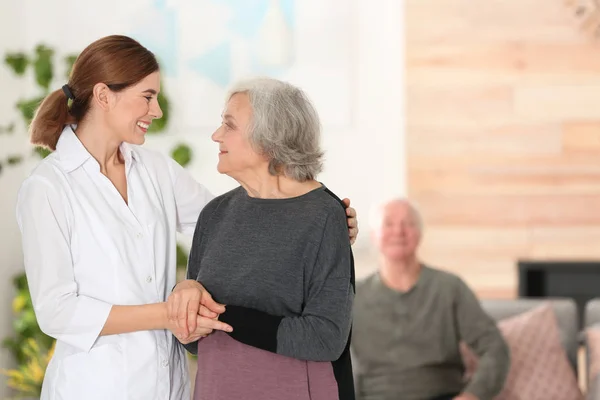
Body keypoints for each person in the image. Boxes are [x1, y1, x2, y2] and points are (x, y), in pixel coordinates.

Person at [15, 35, 359, 400]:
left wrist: (323, 217)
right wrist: (171, 312)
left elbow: (240, 219)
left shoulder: (155, 169)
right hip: (96, 386)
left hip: (168, 384)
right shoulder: (48, 187)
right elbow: (57, 312)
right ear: (103, 96)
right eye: (147, 97)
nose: (157, 110)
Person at [168, 77, 356, 400]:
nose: (216, 135)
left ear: (269, 139)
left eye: (229, 125)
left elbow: (326, 336)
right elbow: (192, 338)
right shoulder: (214, 214)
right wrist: (185, 302)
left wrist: (223, 315)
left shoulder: (324, 216)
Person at [351, 199, 510, 400]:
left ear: (419, 233)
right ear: (374, 235)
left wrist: (472, 395)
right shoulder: (353, 295)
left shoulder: (450, 288)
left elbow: (495, 347)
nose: (399, 231)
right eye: (388, 224)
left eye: (408, 223)